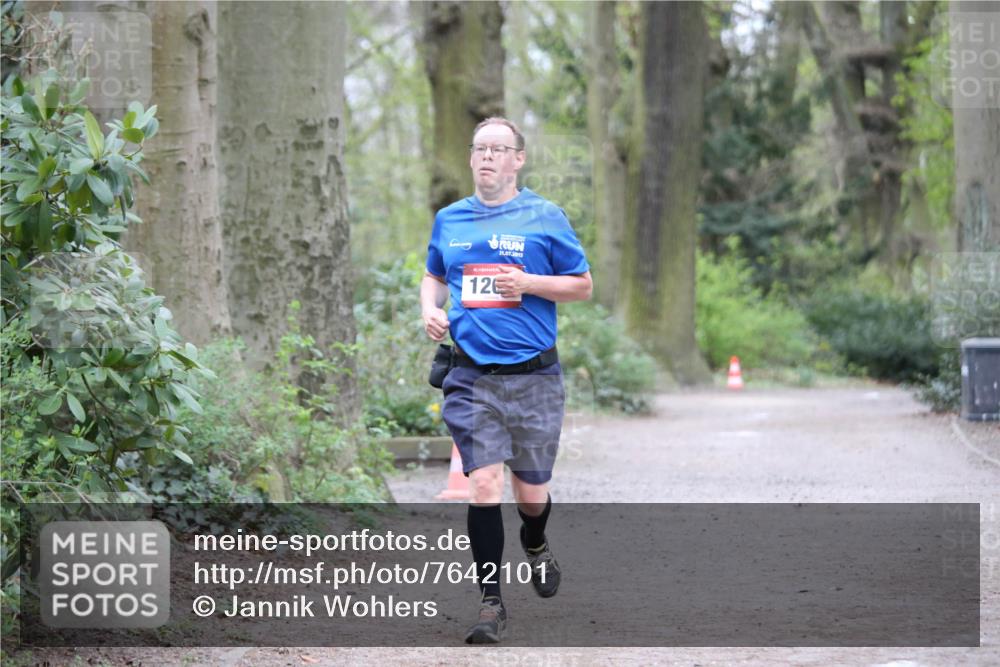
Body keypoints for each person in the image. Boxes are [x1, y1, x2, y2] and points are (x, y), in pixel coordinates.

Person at [420, 117, 593, 644]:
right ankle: (490, 603)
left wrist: (529, 282)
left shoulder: (545, 217)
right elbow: (435, 274)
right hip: (471, 376)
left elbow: (582, 286)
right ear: (471, 158)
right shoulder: (450, 219)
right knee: (483, 484)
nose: (488, 157)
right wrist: (429, 308)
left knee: (531, 492)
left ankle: (536, 542)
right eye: (480, 148)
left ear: (519, 159)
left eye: (499, 149)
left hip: (535, 376)